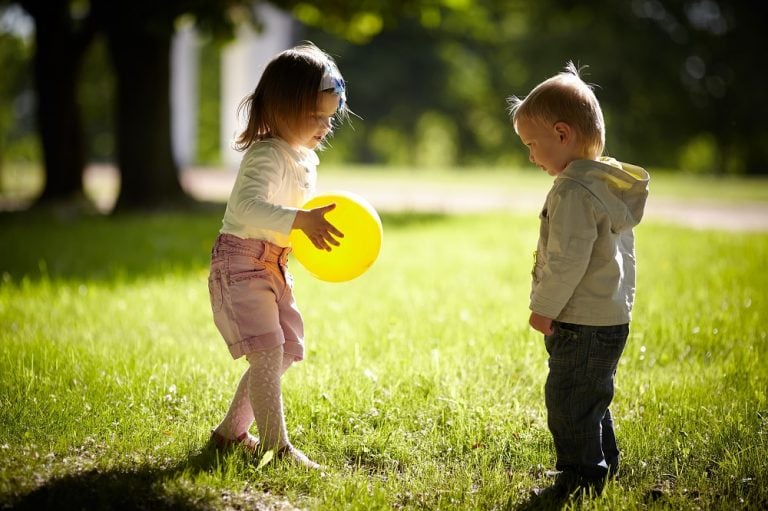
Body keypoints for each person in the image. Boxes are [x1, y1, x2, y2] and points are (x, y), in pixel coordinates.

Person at [507, 62, 649, 498]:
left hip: (581, 320)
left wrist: (543, 308)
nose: (532, 156)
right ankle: (602, 464)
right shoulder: (603, 184)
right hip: (609, 317)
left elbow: (568, 260)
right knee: (591, 396)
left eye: (533, 144)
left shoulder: (572, 191)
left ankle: (582, 473)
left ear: (563, 134)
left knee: (569, 398)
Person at [206, 42, 349, 469]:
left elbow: (295, 216)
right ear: (283, 107)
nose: (325, 126)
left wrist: (308, 230)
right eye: (315, 116)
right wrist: (299, 219)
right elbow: (247, 208)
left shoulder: (304, 157)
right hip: (241, 263)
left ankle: (230, 434)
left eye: (330, 117)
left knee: (286, 350)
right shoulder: (266, 155)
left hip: (274, 264)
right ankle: (276, 447)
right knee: (268, 351)